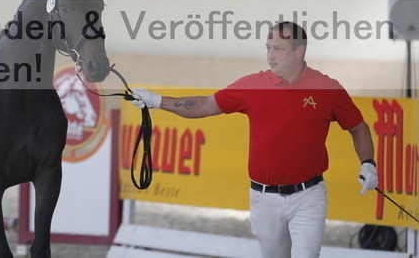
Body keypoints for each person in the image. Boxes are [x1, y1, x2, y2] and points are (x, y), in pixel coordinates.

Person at [129, 21, 378, 258]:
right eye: (268, 48)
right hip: (264, 198)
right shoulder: (252, 85)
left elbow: (358, 127)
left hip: (308, 195)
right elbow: (205, 104)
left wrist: (368, 163)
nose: (270, 56)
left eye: (278, 49)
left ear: (299, 51)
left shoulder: (327, 88)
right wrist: (156, 101)